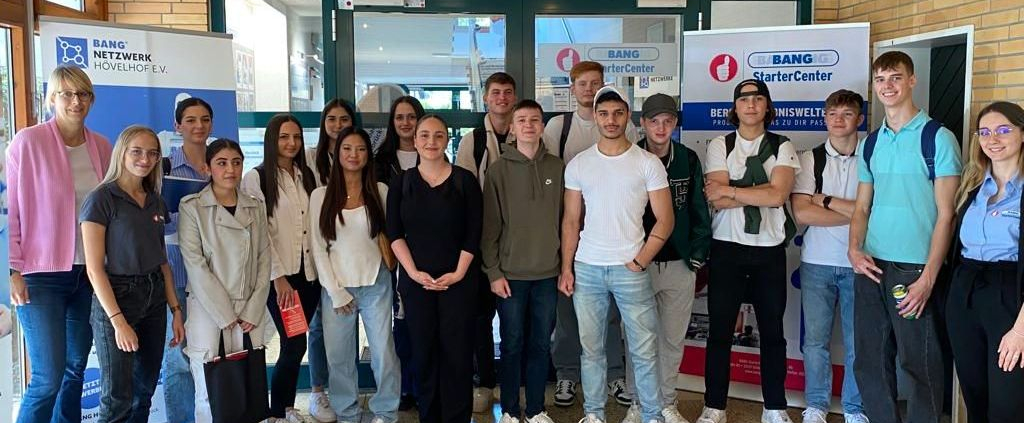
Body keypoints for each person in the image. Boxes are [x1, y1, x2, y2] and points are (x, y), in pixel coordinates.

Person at [848, 51, 961, 423]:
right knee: (869, 360)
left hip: (915, 269)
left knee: (919, 364)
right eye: (880, 79)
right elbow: (861, 208)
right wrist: (854, 249)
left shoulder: (937, 138)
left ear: (912, 80)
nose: (888, 86)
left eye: (895, 77)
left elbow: (946, 215)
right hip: (871, 266)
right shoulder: (871, 143)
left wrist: (928, 279)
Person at [560, 86, 673, 423]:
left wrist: (641, 260)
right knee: (591, 349)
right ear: (595, 117)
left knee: (644, 350)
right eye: (604, 114)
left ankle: (652, 415)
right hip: (588, 267)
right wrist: (567, 267)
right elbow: (571, 220)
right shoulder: (579, 164)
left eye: (618, 113)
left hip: (630, 268)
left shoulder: (648, 163)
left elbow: (665, 219)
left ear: (628, 116)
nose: (611, 120)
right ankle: (594, 414)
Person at [7, 65, 113, 423]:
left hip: (89, 275)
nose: (75, 101)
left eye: (83, 94)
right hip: (40, 276)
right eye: (67, 93)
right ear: (52, 98)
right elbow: (10, 210)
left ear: (91, 100)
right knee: (46, 378)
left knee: (75, 369)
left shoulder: (102, 146)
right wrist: (11, 269)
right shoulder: (27, 142)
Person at [699, 79, 800, 423]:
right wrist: (759, 192)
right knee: (720, 331)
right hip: (726, 248)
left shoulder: (783, 145)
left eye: (758, 98)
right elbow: (714, 196)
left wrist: (733, 191)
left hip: (768, 250)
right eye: (744, 99)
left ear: (767, 105)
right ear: (735, 107)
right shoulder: (721, 144)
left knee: (772, 332)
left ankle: (775, 407)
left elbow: (778, 196)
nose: (751, 105)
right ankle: (714, 407)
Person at [544, 61, 634, 408]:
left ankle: (614, 375)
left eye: (595, 83)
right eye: (582, 83)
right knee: (567, 309)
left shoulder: (623, 125)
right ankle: (567, 373)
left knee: (610, 312)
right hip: (569, 231)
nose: (589, 89)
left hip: (611, 233)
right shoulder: (558, 126)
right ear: (572, 88)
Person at [80, 125, 184, 423]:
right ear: (121, 153)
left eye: (152, 153)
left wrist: (176, 310)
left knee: (143, 393)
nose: (145, 159)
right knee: (117, 400)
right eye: (137, 151)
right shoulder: (101, 199)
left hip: (154, 299)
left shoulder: (155, 200)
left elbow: (162, 261)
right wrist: (118, 322)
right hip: (117, 298)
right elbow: (94, 269)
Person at [386, 114, 482, 423]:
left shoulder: (465, 181)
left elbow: (474, 232)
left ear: (447, 140)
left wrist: (458, 273)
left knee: (458, 355)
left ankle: (457, 417)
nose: (431, 141)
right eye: (424, 135)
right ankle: (430, 416)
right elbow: (394, 234)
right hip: (417, 283)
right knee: (423, 354)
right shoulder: (402, 183)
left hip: (459, 282)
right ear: (414, 141)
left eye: (438, 135)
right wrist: (413, 273)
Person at [621, 94, 711, 423]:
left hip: (678, 264)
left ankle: (667, 402)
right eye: (654, 121)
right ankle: (638, 402)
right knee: (637, 341)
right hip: (638, 263)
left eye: (668, 121)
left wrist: (697, 256)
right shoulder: (629, 157)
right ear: (642, 123)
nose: (661, 128)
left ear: (675, 124)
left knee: (672, 339)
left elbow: (700, 211)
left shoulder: (687, 158)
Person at [310, 126, 401, 423]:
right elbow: (317, 247)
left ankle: (385, 412)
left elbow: (391, 239)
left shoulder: (380, 191)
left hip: (376, 283)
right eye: (347, 148)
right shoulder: (320, 196)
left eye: (361, 149)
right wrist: (335, 292)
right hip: (337, 288)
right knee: (339, 357)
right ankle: (347, 413)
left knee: (384, 353)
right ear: (337, 153)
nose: (354, 154)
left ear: (368, 155)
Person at [178, 139, 272, 423]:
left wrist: (253, 309)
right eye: (221, 163)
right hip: (209, 310)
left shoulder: (255, 207)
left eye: (236, 162)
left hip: (248, 311)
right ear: (208, 168)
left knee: (248, 389)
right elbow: (195, 265)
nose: (230, 169)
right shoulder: (193, 207)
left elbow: (264, 259)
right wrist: (225, 314)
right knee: (210, 391)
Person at [481, 99, 563, 423]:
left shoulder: (557, 167)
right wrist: (493, 272)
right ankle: (511, 410)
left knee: (541, 344)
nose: (528, 125)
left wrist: (565, 267)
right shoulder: (498, 170)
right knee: (512, 344)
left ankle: (537, 409)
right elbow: (490, 227)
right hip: (510, 275)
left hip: (548, 274)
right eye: (522, 120)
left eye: (534, 120)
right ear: (512, 128)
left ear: (542, 126)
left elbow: (567, 221)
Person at [791, 90, 868, 423]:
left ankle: (854, 408)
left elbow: (875, 209)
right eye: (832, 114)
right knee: (815, 342)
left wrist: (824, 200)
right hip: (817, 263)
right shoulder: (811, 159)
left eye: (847, 114)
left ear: (859, 119)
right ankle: (816, 405)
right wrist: (857, 212)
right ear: (824, 118)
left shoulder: (871, 155)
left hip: (860, 263)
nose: (838, 120)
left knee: (858, 343)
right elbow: (802, 213)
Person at [947, 101, 1024, 422]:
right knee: (974, 396)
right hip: (965, 292)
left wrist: (1020, 331)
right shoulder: (973, 185)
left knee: (1008, 403)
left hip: (1011, 298)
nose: (993, 139)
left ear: (1022, 133)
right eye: (985, 132)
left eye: (1003, 129)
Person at [241, 114, 320, 422]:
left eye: (296, 137)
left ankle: (283, 409)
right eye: (284, 137)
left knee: (296, 344)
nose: (291, 143)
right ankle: (280, 411)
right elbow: (260, 231)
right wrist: (278, 278)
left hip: (309, 275)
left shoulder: (307, 174)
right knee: (294, 343)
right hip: (283, 278)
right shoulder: (257, 178)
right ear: (271, 140)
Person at [454, 71, 517, 412]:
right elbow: (462, 194)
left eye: (507, 92)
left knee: (514, 320)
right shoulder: (473, 141)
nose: (502, 98)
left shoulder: (527, 133)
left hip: (519, 245)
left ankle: (512, 383)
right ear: (486, 98)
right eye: (496, 92)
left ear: (514, 97)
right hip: (481, 243)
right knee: (480, 318)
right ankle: (485, 383)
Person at [373, 95, 426, 411]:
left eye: (411, 116)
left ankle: (423, 385)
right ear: (392, 123)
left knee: (421, 322)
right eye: (399, 117)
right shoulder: (380, 162)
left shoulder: (432, 154)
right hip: (391, 253)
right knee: (399, 322)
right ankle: (404, 387)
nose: (406, 123)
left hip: (427, 251)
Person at [162, 96, 213, 423]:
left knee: (215, 352)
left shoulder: (221, 163)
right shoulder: (164, 167)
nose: (198, 126)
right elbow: (156, 223)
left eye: (204, 119)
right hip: (177, 274)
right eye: (191, 120)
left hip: (215, 275)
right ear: (178, 125)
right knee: (178, 359)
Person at [305, 98, 356, 421]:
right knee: (318, 327)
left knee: (346, 329)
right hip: (320, 252)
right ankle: (318, 390)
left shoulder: (358, 155)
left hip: (352, 254)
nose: (338, 125)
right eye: (332, 119)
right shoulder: (311, 158)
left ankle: (346, 392)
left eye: (344, 119)